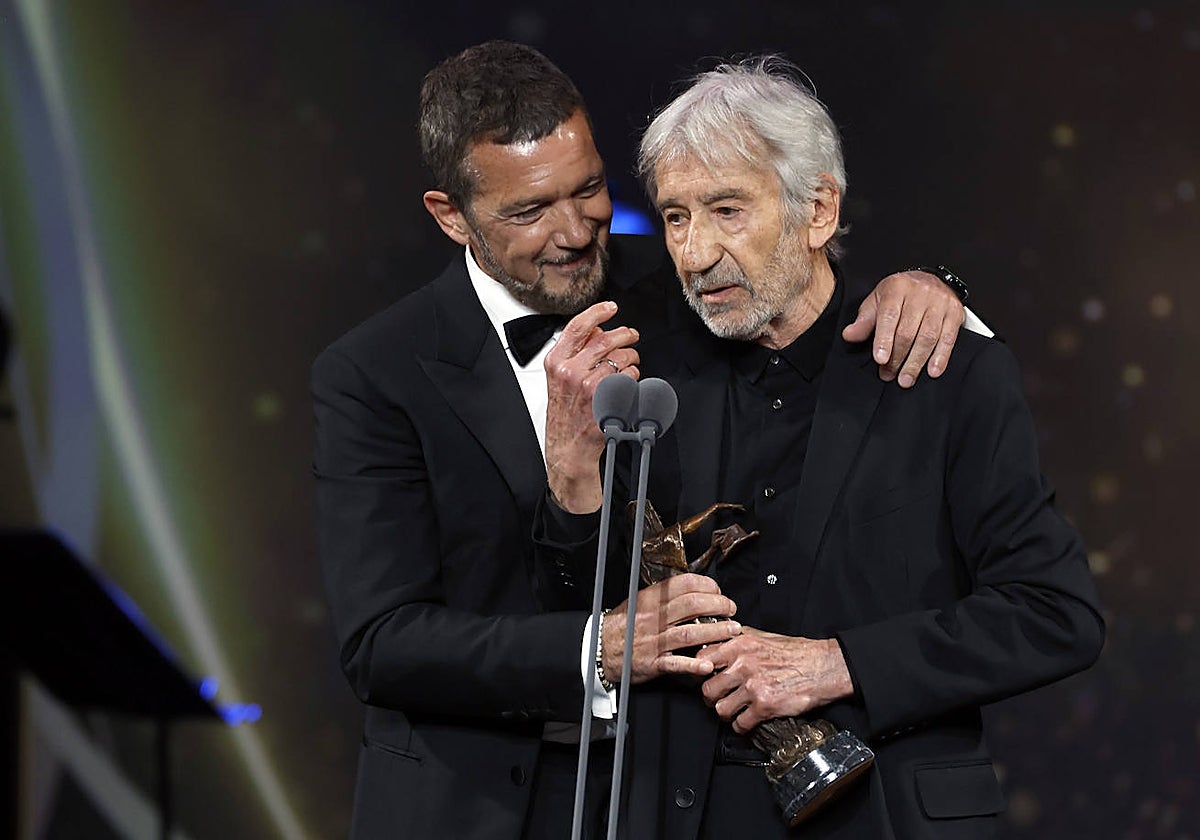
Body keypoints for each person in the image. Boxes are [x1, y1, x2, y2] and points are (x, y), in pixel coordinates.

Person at [313, 41, 968, 840]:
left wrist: (931, 289)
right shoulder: (372, 373)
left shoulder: (680, 282)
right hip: (470, 803)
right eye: (528, 211)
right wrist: (598, 647)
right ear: (452, 216)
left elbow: (800, 278)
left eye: (588, 189)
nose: (574, 233)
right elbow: (384, 644)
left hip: (660, 796)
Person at [539, 57, 1105, 839]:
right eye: (675, 217)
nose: (696, 254)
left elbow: (1055, 614)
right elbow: (574, 609)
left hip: (883, 815)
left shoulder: (944, 374)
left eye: (728, 210)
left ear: (819, 210)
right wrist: (570, 482)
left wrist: (838, 663)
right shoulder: (642, 378)